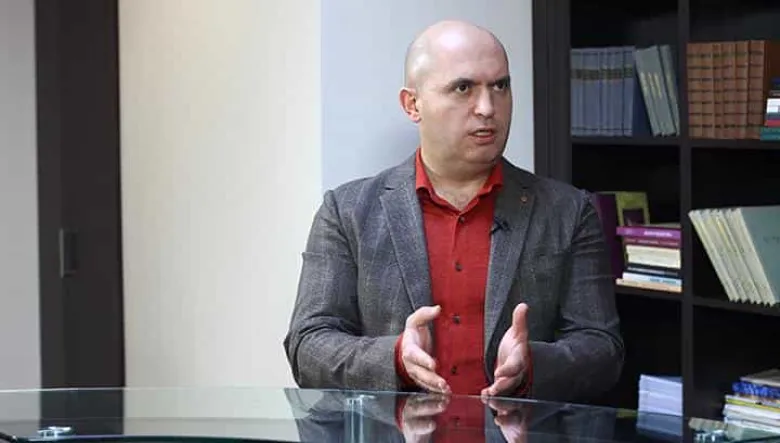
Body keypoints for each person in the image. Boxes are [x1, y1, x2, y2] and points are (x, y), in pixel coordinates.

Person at [283, 19, 623, 404]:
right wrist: (394, 358)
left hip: (515, 430)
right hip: (392, 430)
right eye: (463, 88)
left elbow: (603, 350)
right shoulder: (347, 212)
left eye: (500, 86)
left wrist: (533, 365)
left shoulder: (568, 211)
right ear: (413, 104)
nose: (487, 108)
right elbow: (307, 346)